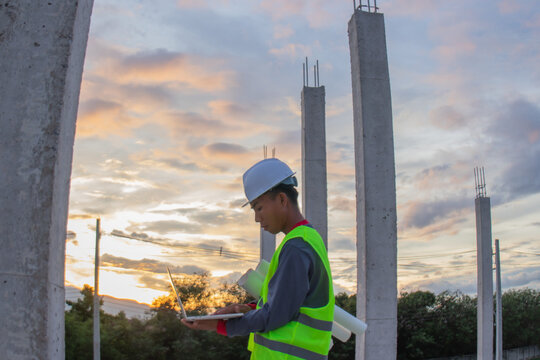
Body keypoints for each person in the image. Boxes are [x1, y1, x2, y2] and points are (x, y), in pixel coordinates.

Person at [182, 158, 334, 359]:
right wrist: (247, 309)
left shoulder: (297, 247)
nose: (256, 218)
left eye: (259, 208)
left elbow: (276, 315)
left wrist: (221, 325)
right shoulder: (304, 240)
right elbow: (289, 305)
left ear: (282, 199)